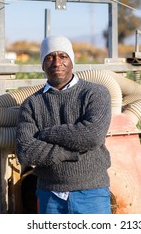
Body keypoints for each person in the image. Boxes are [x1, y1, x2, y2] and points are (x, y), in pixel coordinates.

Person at [15, 35, 112, 214]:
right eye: (50, 57)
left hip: (91, 193)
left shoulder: (95, 93)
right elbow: (26, 151)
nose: (56, 62)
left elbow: (91, 136)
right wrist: (69, 151)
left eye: (63, 56)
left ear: (72, 61)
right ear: (42, 64)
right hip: (49, 195)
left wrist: (45, 134)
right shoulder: (31, 104)